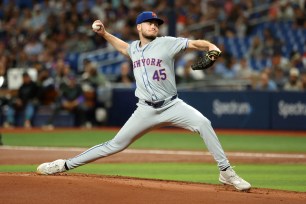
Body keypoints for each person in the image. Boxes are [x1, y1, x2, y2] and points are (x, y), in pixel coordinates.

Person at [37, 11, 251, 191]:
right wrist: (104, 33)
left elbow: (197, 43)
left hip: (172, 105)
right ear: (139, 27)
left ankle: (226, 172)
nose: (154, 26)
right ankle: (63, 164)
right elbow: (122, 47)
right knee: (114, 145)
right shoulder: (134, 48)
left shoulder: (168, 43)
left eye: (156, 23)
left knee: (204, 123)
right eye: (150, 23)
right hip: (145, 110)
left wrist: (212, 47)